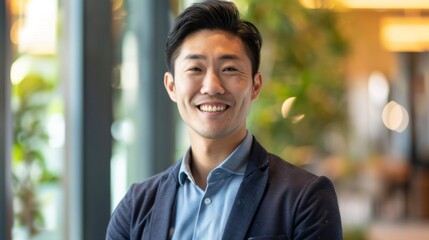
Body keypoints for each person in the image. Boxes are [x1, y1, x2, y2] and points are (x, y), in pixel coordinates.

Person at [106, 1, 342, 239]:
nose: (212, 86)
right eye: (195, 69)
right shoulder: (136, 207)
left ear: (255, 85)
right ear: (171, 86)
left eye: (229, 69)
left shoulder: (304, 198)